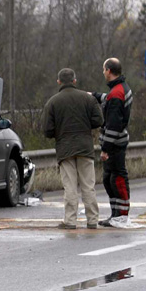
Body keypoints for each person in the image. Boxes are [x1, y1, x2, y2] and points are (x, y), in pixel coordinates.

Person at [43, 68, 103, 229]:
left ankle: (70, 221)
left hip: (65, 148)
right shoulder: (88, 99)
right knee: (88, 186)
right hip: (85, 147)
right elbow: (99, 120)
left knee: (70, 186)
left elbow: (47, 130)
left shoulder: (53, 102)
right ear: (75, 81)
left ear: (59, 82)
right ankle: (92, 220)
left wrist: (60, 131)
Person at [91, 58, 132, 227]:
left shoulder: (117, 94)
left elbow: (113, 125)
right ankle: (116, 214)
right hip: (116, 142)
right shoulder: (120, 89)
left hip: (114, 144)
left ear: (108, 70)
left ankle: (121, 215)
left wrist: (105, 149)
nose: (103, 72)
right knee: (109, 179)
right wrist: (92, 96)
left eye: (103, 69)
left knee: (117, 179)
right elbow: (107, 99)